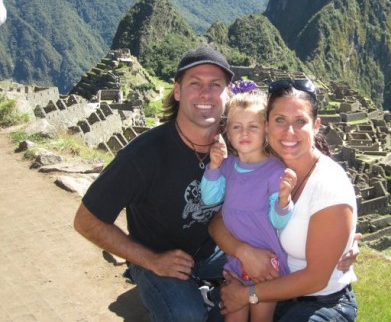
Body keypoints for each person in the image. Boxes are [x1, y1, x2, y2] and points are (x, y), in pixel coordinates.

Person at [74, 44, 235, 322]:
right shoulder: (144, 155)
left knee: (271, 280)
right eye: (195, 83)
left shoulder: (235, 143)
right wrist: (151, 261)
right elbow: (86, 221)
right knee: (187, 315)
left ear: (226, 94)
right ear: (177, 91)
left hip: (213, 252)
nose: (206, 93)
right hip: (156, 255)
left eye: (215, 85)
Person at [210, 79, 358, 321]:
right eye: (280, 120)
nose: (289, 132)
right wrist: (244, 253)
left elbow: (316, 278)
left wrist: (248, 295)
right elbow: (218, 222)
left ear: (316, 126)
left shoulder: (329, 185)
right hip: (269, 287)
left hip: (321, 302)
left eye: (300, 121)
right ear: (266, 125)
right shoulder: (263, 168)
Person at [200, 85, 297, 321]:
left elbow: (279, 220)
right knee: (234, 315)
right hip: (236, 260)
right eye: (237, 127)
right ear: (228, 133)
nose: (244, 133)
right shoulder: (227, 165)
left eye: (252, 127)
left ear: (265, 130)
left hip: (266, 264)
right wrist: (212, 168)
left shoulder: (274, 171)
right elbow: (209, 198)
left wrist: (284, 200)